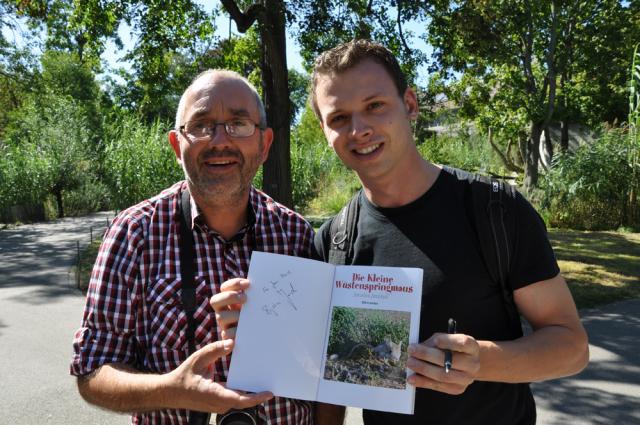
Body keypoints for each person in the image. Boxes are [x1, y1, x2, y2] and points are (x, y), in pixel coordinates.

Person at [309, 40, 589, 425]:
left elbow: (571, 346)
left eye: (375, 106)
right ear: (324, 130)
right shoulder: (334, 240)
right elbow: (331, 376)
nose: (359, 129)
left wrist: (482, 361)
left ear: (409, 104)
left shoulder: (496, 211)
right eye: (339, 118)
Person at [70, 69, 315, 424]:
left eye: (239, 123)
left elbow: (326, 362)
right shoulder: (135, 234)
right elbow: (92, 370)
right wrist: (171, 389)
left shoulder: (296, 235)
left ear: (264, 144)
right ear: (176, 145)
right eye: (200, 125)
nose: (219, 140)